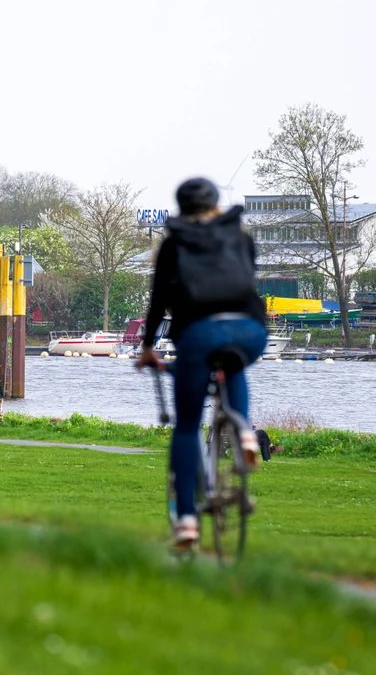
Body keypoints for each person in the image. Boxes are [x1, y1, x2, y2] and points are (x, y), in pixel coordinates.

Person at [135, 177, 268, 549]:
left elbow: (158, 301)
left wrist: (148, 348)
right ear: (215, 205)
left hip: (198, 333)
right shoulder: (240, 236)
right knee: (234, 365)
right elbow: (247, 280)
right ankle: (244, 433)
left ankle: (188, 522)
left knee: (187, 426)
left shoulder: (173, 245)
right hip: (250, 330)